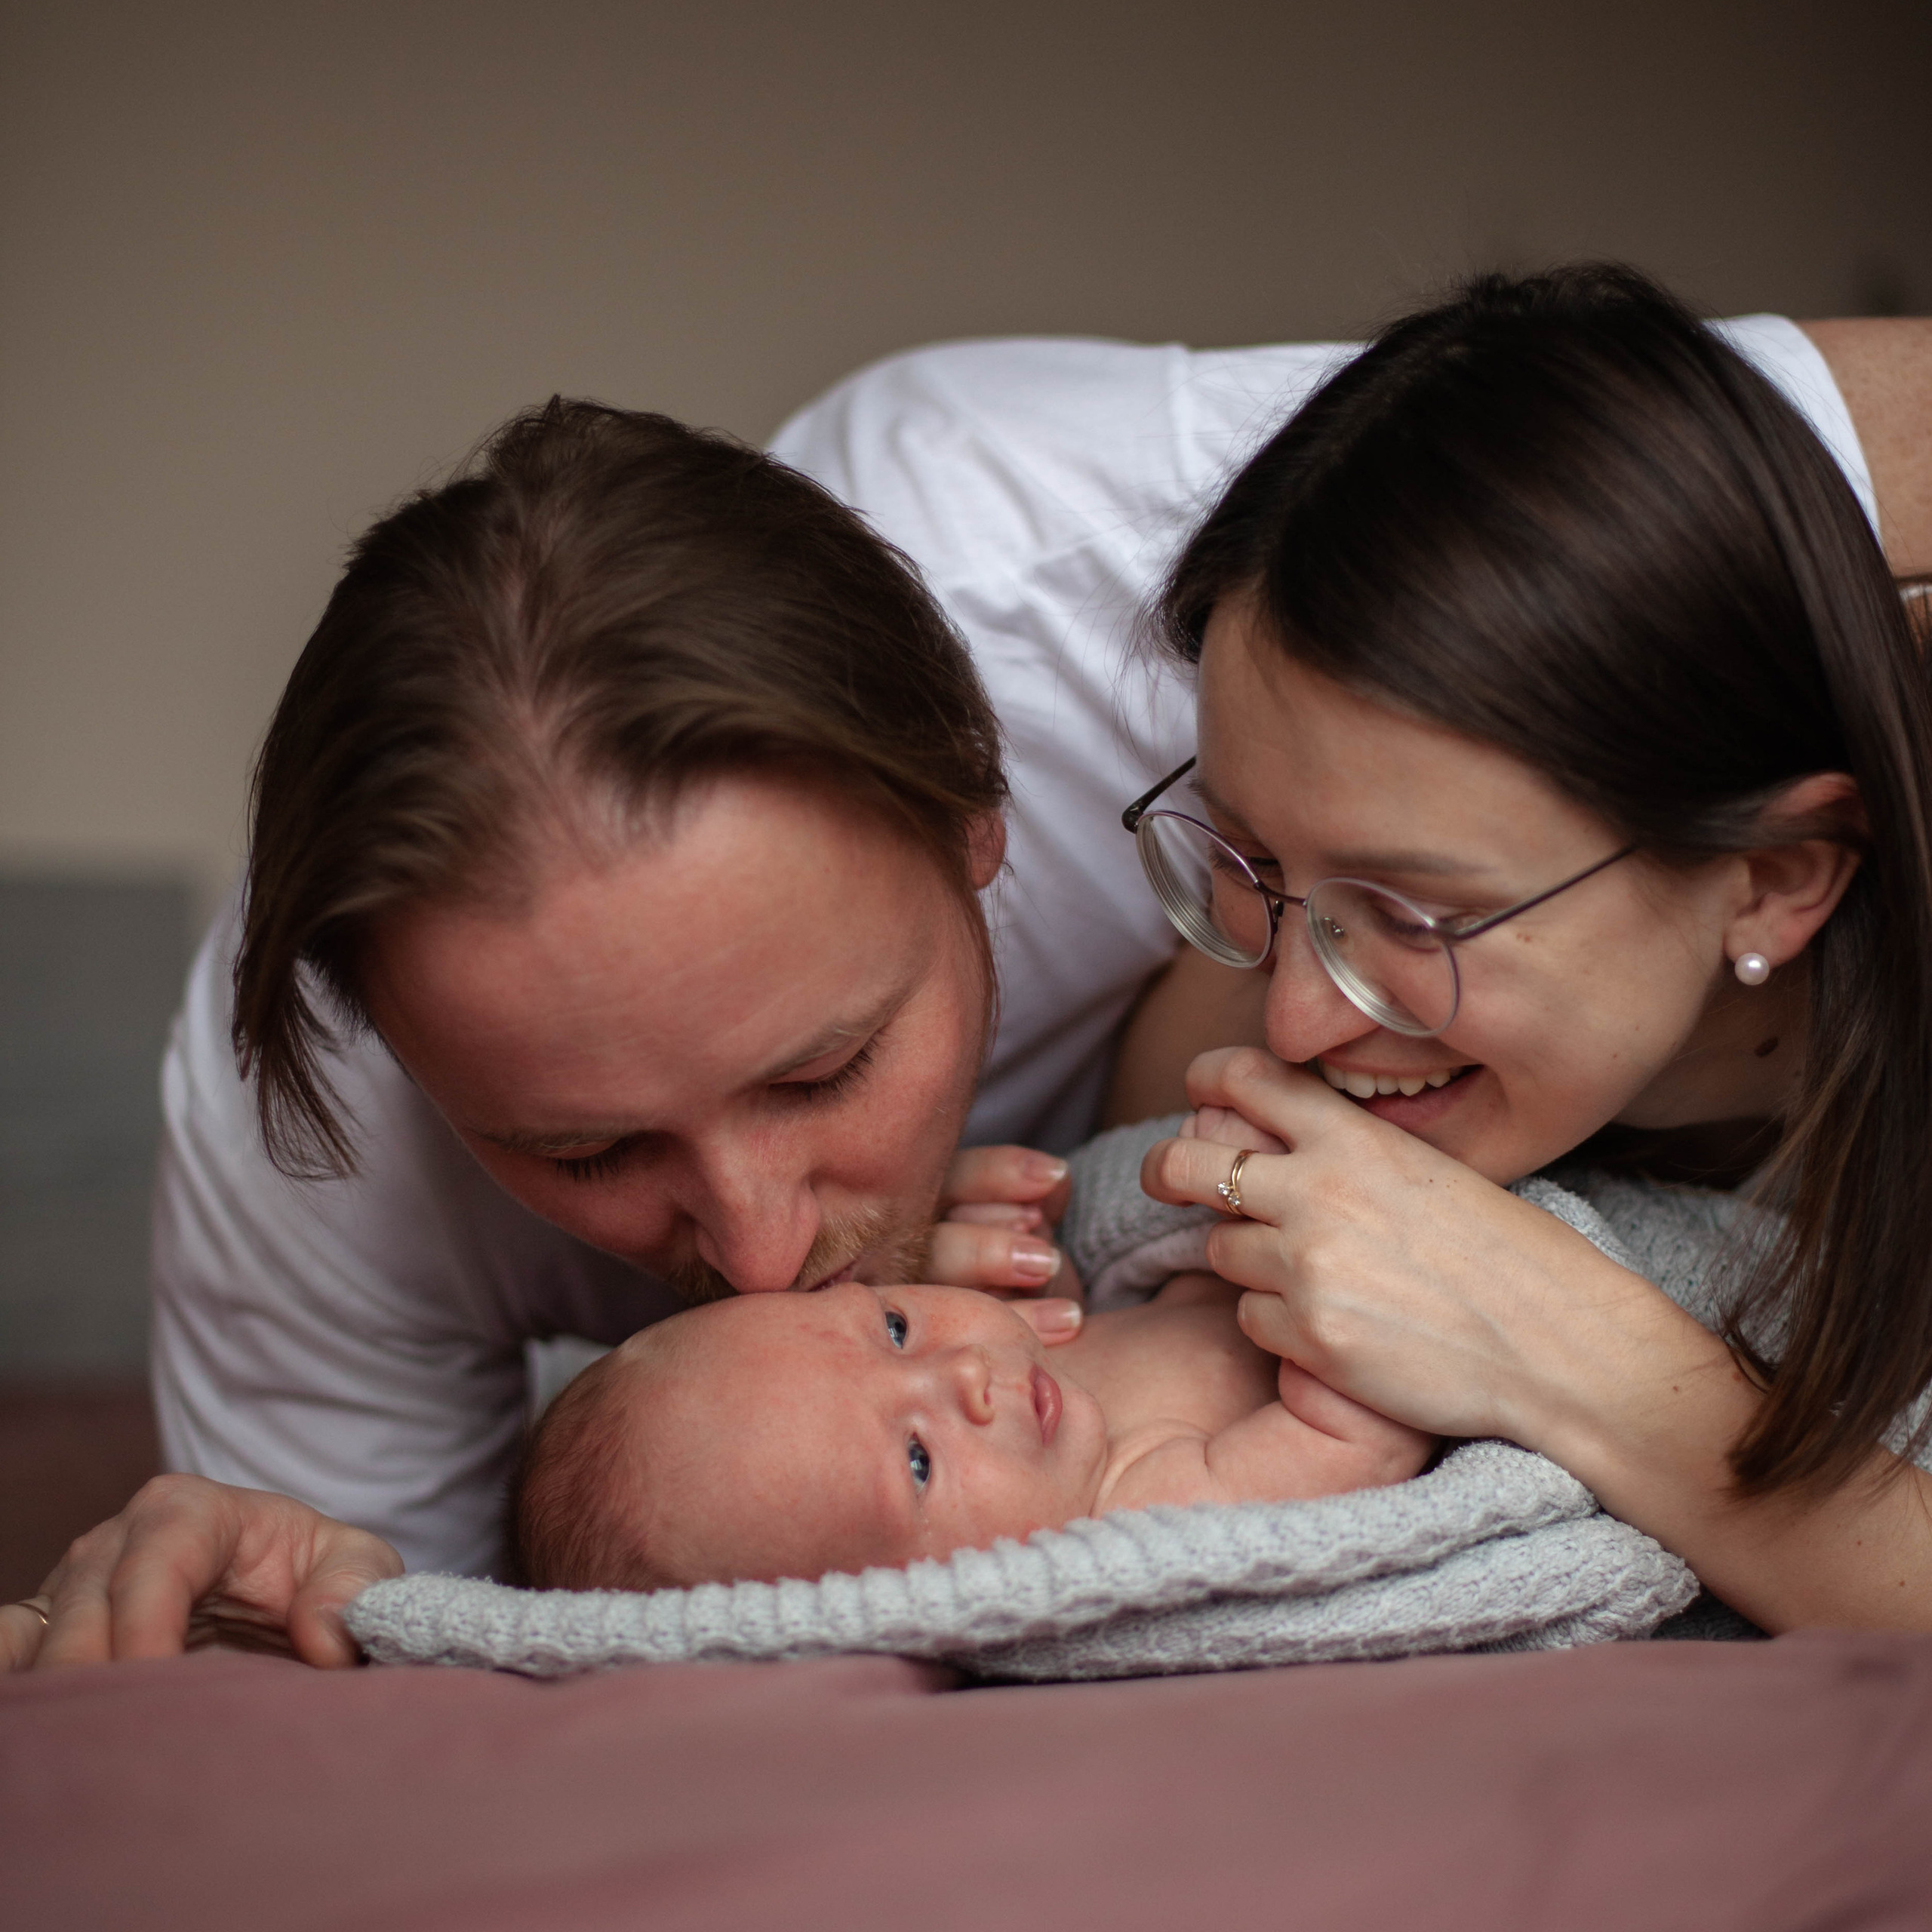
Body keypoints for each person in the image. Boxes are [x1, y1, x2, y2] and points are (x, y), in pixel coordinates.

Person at [7, 270, 1928, 1671]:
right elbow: (469, 1670)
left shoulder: (1093, 563)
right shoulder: (321, 1134)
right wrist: (297, 1584)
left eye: (821, 1068)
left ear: (982, 816)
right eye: (584, 1156)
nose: (764, 1258)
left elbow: (1786, 458)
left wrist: (1572, 1347)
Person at [1129, 265, 1932, 1635]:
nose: (1295, 1027)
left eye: (1420, 918)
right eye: (1253, 857)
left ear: (1774, 881)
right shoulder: (1275, 942)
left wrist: (1558, 1337)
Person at [515, 1108, 1429, 1592]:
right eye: (916, 1461)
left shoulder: (1040, 1420)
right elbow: (1365, 1436)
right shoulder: (1142, 1510)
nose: (962, 1376)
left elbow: (1121, 1320)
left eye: (895, 1328)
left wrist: (1081, 1258)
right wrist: (1308, 1224)